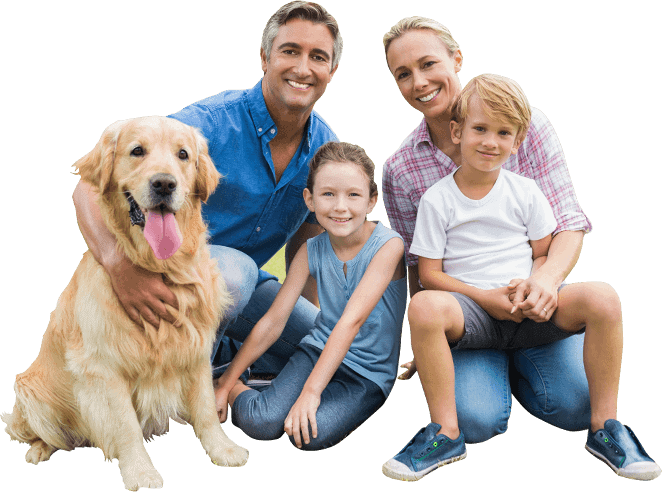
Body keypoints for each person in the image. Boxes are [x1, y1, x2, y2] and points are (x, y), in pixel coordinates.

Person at [381, 74, 660, 481]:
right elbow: (429, 274)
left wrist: (535, 285)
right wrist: (484, 298)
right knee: (423, 306)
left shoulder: (526, 191)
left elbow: (544, 253)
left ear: (518, 140)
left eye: (503, 133)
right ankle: (445, 431)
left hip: (531, 307)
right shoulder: (436, 199)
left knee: (604, 297)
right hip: (473, 314)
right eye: (479, 129)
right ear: (457, 132)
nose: (490, 142)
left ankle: (606, 427)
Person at [72, 2, 341, 377]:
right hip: (168, 274)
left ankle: (222, 360)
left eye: (317, 57)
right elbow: (88, 185)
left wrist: (304, 321)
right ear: (265, 58)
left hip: (240, 292)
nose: (302, 68)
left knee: (324, 346)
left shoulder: (325, 152)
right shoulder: (212, 122)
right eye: (290, 51)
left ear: (332, 70)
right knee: (234, 273)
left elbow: (309, 246)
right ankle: (181, 384)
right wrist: (119, 266)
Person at [381, 16, 591, 445]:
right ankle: (485, 374)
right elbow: (416, 265)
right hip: (470, 316)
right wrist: (427, 336)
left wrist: (545, 281)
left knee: (577, 407)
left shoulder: (527, 126)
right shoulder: (401, 170)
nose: (419, 82)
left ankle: (526, 364)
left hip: (535, 303)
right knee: (475, 421)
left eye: (428, 64)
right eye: (403, 74)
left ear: (456, 59)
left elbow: (568, 222)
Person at [214, 142, 407, 451]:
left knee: (308, 435)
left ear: (372, 200)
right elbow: (274, 321)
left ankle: (274, 386)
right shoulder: (311, 251)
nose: (340, 207)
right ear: (310, 199)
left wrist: (310, 393)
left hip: (366, 374)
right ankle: (231, 381)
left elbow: (351, 320)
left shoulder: (389, 246)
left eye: (353, 195)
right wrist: (226, 387)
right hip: (317, 350)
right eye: (328, 194)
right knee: (261, 422)